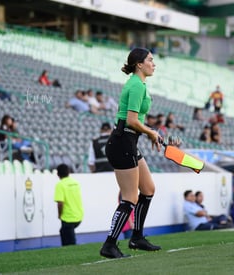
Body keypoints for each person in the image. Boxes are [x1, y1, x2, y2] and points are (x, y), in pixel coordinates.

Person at [100, 48, 163, 259]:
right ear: (139, 64)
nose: (153, 64)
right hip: (122, 142)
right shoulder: (136, 85)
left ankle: (137, 237)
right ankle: (110, 244)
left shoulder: (139, 84)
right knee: (129, 198)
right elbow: (131, 121)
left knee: (148, 189)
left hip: (129, 142)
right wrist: (151, 132)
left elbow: (134, 124)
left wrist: (150, 134)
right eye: (150, 60)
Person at [54, 164, 84, 246]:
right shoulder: (75, 183)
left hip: (68, 217)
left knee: (68, 241)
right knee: (64, 231)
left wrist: (59, 214)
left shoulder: (60, 185)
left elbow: (60, 203)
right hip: (78, 215)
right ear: (68, 172)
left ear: (58, 174)